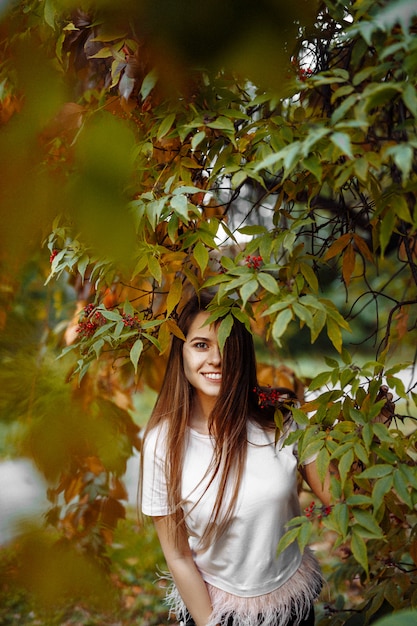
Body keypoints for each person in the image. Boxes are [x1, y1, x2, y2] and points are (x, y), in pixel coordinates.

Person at [141, 292, 333, 626]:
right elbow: (178, 555)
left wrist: (364, 443)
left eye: (227, 343)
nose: (216, 358)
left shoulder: (284, 420)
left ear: (242, 353)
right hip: (214, 609)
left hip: (289, 604)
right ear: (181, 352)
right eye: (201, 344)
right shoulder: (163, 442)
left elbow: (338, 497)